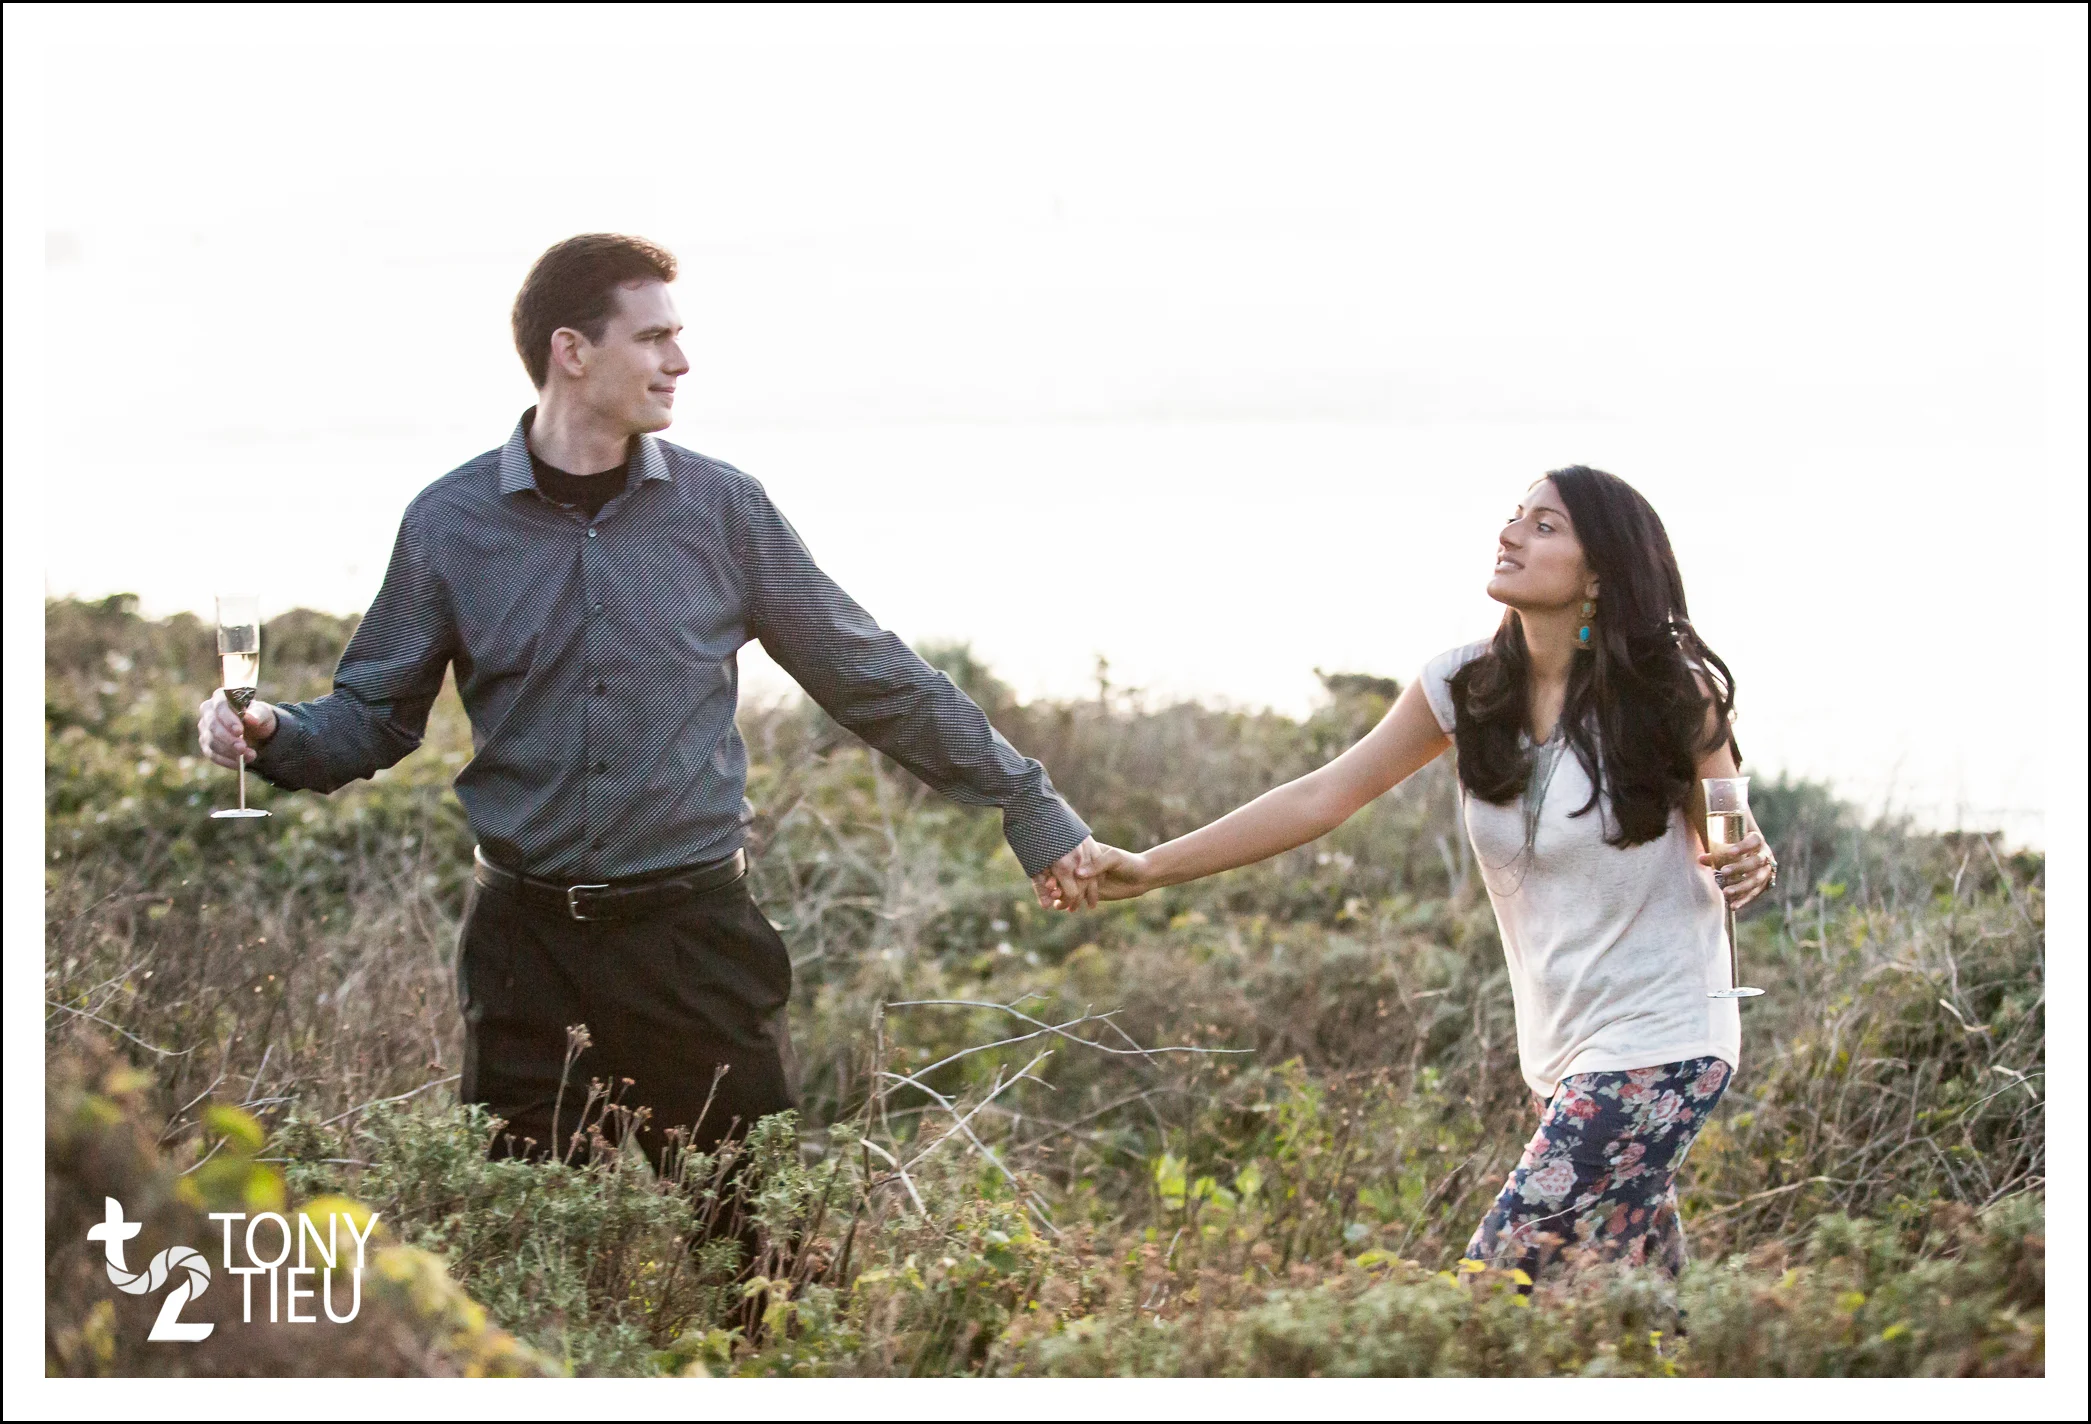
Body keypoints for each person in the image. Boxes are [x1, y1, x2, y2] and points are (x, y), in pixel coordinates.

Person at [196, 232, 1101, 1180]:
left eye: (677, 335)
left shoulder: (723, 510)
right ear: (572, 350)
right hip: (523, 958)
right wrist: (274, 731)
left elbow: (868, 674)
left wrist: (1024, 798)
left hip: (693, 947)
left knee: (750, 1242)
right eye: (653, 337)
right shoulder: (448, 523)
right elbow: (372, 716)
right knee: (522, 1241)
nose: (680, 361)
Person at [1060, 465, 1777, 1284]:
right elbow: (1322, 797)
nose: (1509, 534)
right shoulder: (1465, 686)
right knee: (1623, 1311)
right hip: (1559, 1054)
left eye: (1544, 526)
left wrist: (1746, 849)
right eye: (1515, 516)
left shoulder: (1673, 696)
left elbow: (1727, 828)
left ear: (1599, 574)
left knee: (1499, 1288)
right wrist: (1149, 867)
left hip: (1664, 1039)